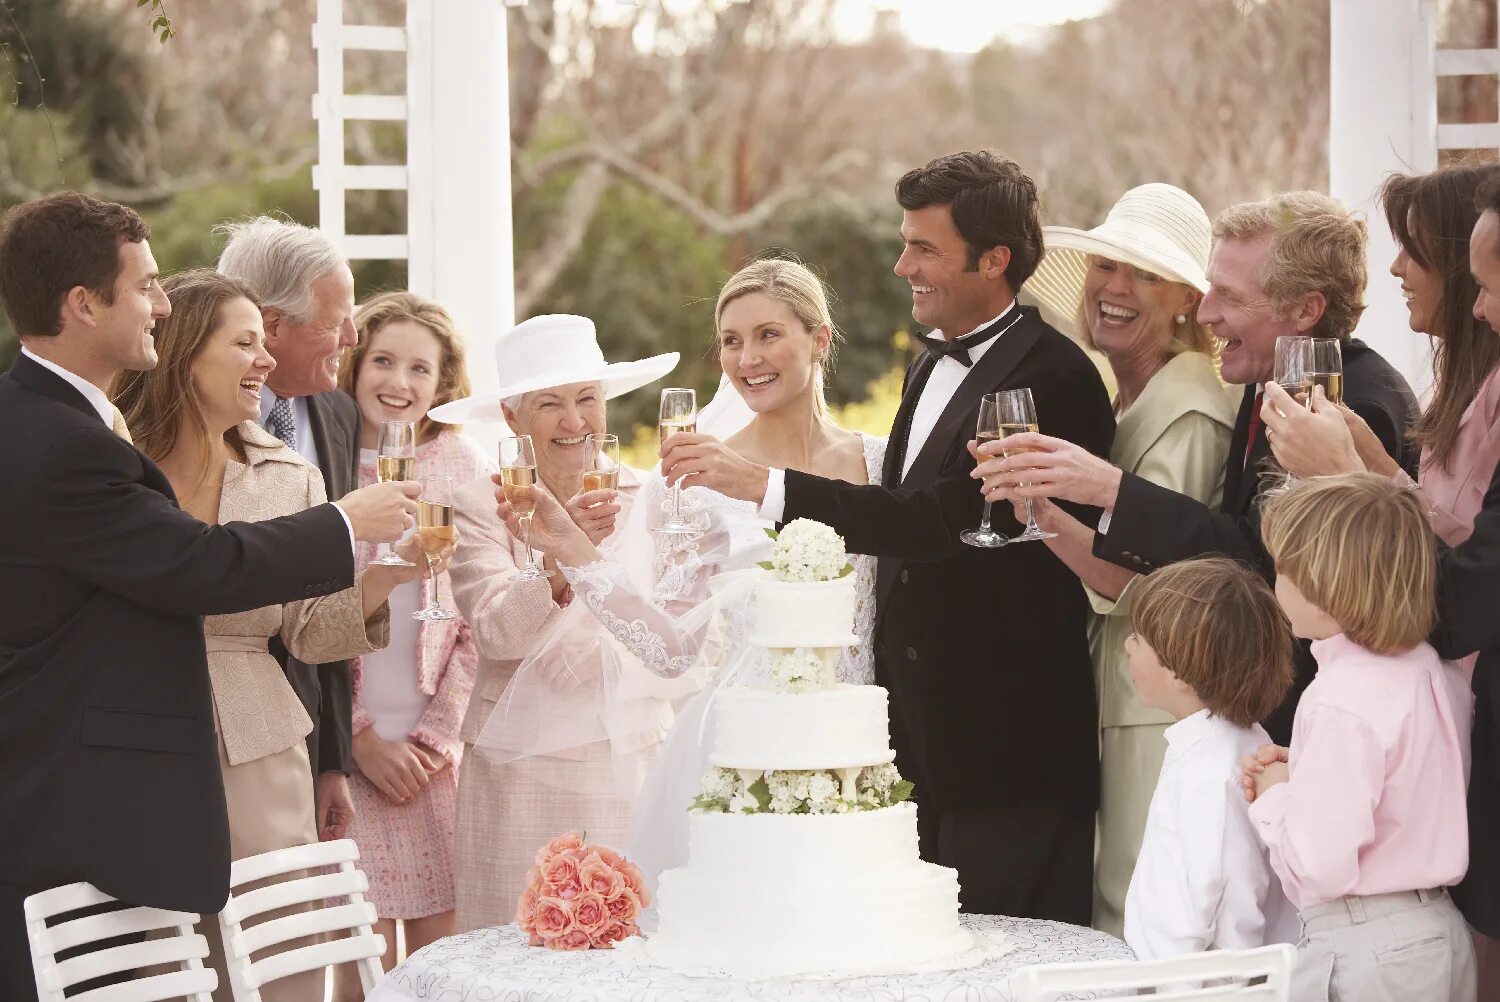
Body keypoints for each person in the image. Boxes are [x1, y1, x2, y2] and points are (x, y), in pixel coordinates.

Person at [661, 151, 1116, 922]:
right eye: (905, 243)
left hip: (1007, 751)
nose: (903, 265)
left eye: (925, 248)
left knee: (1007, 961)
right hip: (916, 746)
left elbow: (936, 520)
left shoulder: (1056, 376)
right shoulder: (928, 364)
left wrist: (762, 486)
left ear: (995, 259)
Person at [0, 193, 414, 1001]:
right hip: (99, 775)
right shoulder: (75, 445)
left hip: (226, 750)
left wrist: (382, 577)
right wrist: (343, 520)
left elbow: (294, 623)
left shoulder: (59, 424)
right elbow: (196, 565)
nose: (160, 300)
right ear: (84, 304)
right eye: (146, 286)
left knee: (270, 967)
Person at [489, 258, 885, 893]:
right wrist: (570, 547)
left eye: (767, 334)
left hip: (861, 743)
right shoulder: (697, 482)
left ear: (821, 339)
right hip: (739, 747)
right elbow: (672, 650)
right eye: (730, 341)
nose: (746, 357)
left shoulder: (882, 463)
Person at [975, 190, 1420, 742]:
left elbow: (1262, 570)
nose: (1206, 314)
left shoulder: (1356, 405)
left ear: (1306, 310)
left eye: (1228, 297)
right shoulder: (1269, 385)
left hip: (1310, 734)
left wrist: (1110, 489)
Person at [111, 270, 443, 1002]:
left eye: (268, 343)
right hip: (131, 740)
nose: (267, 361)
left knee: (278, 962)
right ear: (186, 352)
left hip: (259, 750)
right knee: (154, 966)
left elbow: (309, 633)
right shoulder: (113, 459)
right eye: (246, 343)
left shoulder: (289, 475)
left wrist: (384, 580)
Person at [1256, 164, 1500, 994]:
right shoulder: (1467, 390)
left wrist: (1277, 797)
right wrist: (1371, 465)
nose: (1397, 269)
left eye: (1415, 252)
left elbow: (1467, 590)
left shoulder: (1354, 697)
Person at [1022, 183, 1237, 936]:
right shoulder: (1128, 397)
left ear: (1186, 299)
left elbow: (1154, 580)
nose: (1113, 287)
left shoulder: (1190, 409)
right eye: (1107, 265)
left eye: (1142, 274)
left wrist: (1036, 512)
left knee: (1136, 910)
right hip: (1118, 696)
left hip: (1157, 703)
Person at [435, 314, 679, 931]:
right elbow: (495, 632)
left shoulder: (652, 500)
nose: (575, 422)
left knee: (627, 951)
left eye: (586, 400)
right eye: (549, 404)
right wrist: (564, 562)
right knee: (513, 950)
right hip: (515, 772)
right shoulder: (478, 504)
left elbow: (671, 639)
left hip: (627, 758)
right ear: (514, 418)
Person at [1244, 474, 1475, 1001]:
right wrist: (1304, 771)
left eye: (1283, 569)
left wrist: (1277, 793)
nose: (1274, 581)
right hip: (1438, 933)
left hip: (1366, 945)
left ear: (1326, 590)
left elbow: (1317, 866)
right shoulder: (1435, 671)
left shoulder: (1338, 700)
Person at [331, 292, 489, 997]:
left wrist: (436, 738)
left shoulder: (463, 465)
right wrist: (357, 736)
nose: (399, 382)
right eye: (383, 361)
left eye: (419, 368)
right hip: (346, 757)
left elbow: (481, 618)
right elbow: (306, 614)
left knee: (438, 967)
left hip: (434, 760)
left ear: (443, 382)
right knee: (355, 962)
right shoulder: (322, 462)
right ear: (355, 365)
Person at [218, 216, 363, 842]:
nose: (353, 338)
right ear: (272, 325)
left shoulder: (337, 411)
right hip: (209, 728)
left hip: (300, 731)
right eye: (335, 323)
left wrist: (333, 759)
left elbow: (328, 589)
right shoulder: (170, 416)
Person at [1120, 557, 1297, 960]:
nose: (1127, 645)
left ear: (1179, 670)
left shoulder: (1212, 771)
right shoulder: (1232, 744)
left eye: (1139, 639)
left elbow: (1227, 910)